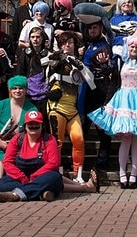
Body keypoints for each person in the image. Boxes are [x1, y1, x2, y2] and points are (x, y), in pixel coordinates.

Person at [88, 36, 137, 189]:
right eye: (132, 47)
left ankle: (133, 175)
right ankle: (122, 174)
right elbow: (113, 83)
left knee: (136, 138)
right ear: (127, 48)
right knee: (125, 138)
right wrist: (106, 103)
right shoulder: (119, 62)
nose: (134, 50)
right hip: (122, 99)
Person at [0, 111, 99, 202]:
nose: (33, 126)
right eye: (30, 123)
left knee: (53, 178)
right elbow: (7, 162)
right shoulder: (17, 139)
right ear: (25, 126)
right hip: (22, 177)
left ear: (42, 125)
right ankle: (40, 193)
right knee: (1, 184)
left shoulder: (49, 139)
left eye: (37, 124)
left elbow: (54, 163)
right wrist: (22, 177)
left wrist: (34, 177)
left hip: (43, 177)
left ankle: (15, 195)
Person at [46, 31, 89, 182]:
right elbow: (44, 62)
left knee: (79, 140)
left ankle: (78, 174)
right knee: (57, 143)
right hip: (56, 107)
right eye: (64, 42)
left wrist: (80, 65)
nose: (67, 45)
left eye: (70, 42)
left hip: (72, 108)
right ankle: (57, 173)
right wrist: (56, 57)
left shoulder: (77, 61)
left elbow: (90, 81)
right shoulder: (56, 58)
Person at [75, 4, 114, 170]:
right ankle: (80, 162)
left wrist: (105, 65)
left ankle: (103, 161)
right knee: (82, 128)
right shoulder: (87, 46)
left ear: (101, 28)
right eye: (89, 28)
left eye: (95, 28)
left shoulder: (105, 46)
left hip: (100, 90)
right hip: (85, 91)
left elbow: (110, 68)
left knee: (102, 130)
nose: (92, 31)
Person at [0, 75, 37, 160]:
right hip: (0, 148)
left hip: (22, 147)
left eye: (21, 88)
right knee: (4, 162)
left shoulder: (32, 109)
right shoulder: (0, 105)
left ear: (25, 90)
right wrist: (0, 142)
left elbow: (35, 131)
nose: (17, 91)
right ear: (10, 90)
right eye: (14, 88)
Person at [15, 27, 50, 129]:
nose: (35, 39)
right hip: (29, 93)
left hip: (44, 93)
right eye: (32, 37)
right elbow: (19, 73)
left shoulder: (48, 54)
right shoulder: (24, 54)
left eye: (38, 37)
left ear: (43, 38)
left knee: (43, 121)